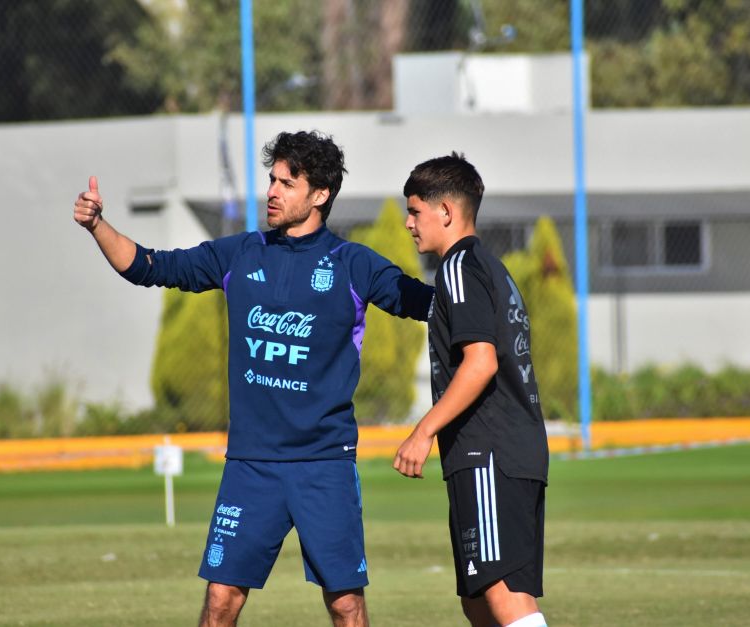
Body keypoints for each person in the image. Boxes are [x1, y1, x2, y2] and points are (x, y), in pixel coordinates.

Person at [73, 130, 432, 627]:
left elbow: (428, 303)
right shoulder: (240, 254)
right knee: (221, 599)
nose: (273, 190)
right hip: (251, 465)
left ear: (320, 195)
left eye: (288, 182)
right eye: (272, 179)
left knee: (346, 604)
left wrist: (474, 278)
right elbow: (148, 266)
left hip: (323, 462)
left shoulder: (354, 265)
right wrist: (97, 226)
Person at [393, 153, 549, 627]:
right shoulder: (490, 267)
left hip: (491, 454)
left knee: (503, 595)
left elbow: (480, 362)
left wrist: (423, 431)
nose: (408, 224)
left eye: (415, 211)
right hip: (502, 453)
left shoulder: (459, 267)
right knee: (478, 601)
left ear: (446, 211)